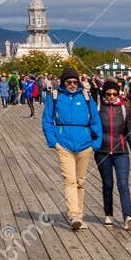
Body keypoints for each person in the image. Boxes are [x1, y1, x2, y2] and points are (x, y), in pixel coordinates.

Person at [43, 66, 102, 230]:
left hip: (85, 144)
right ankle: (73, 214)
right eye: (69, 82)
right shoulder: (54, 96)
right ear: (63, 82)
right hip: (64, 143)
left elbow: (95, 120)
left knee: (80, 181)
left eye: (75, 82)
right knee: (70, 180)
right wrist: (53, 142)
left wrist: (95, 144)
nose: (72, 84)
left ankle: (79, 215)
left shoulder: (86, 96)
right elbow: (47, 120)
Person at [93, 79, 131, 230]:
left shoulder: (124, 109)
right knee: (107, 184)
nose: (112, 96)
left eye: (114, 93)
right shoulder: (98, 108)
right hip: (103, 152)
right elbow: (91, 129)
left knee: (123, 184)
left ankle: (128, 217)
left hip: (121, 152)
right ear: (104, 94)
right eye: (108, 94)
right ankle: (108, 214)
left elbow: (130, 133)